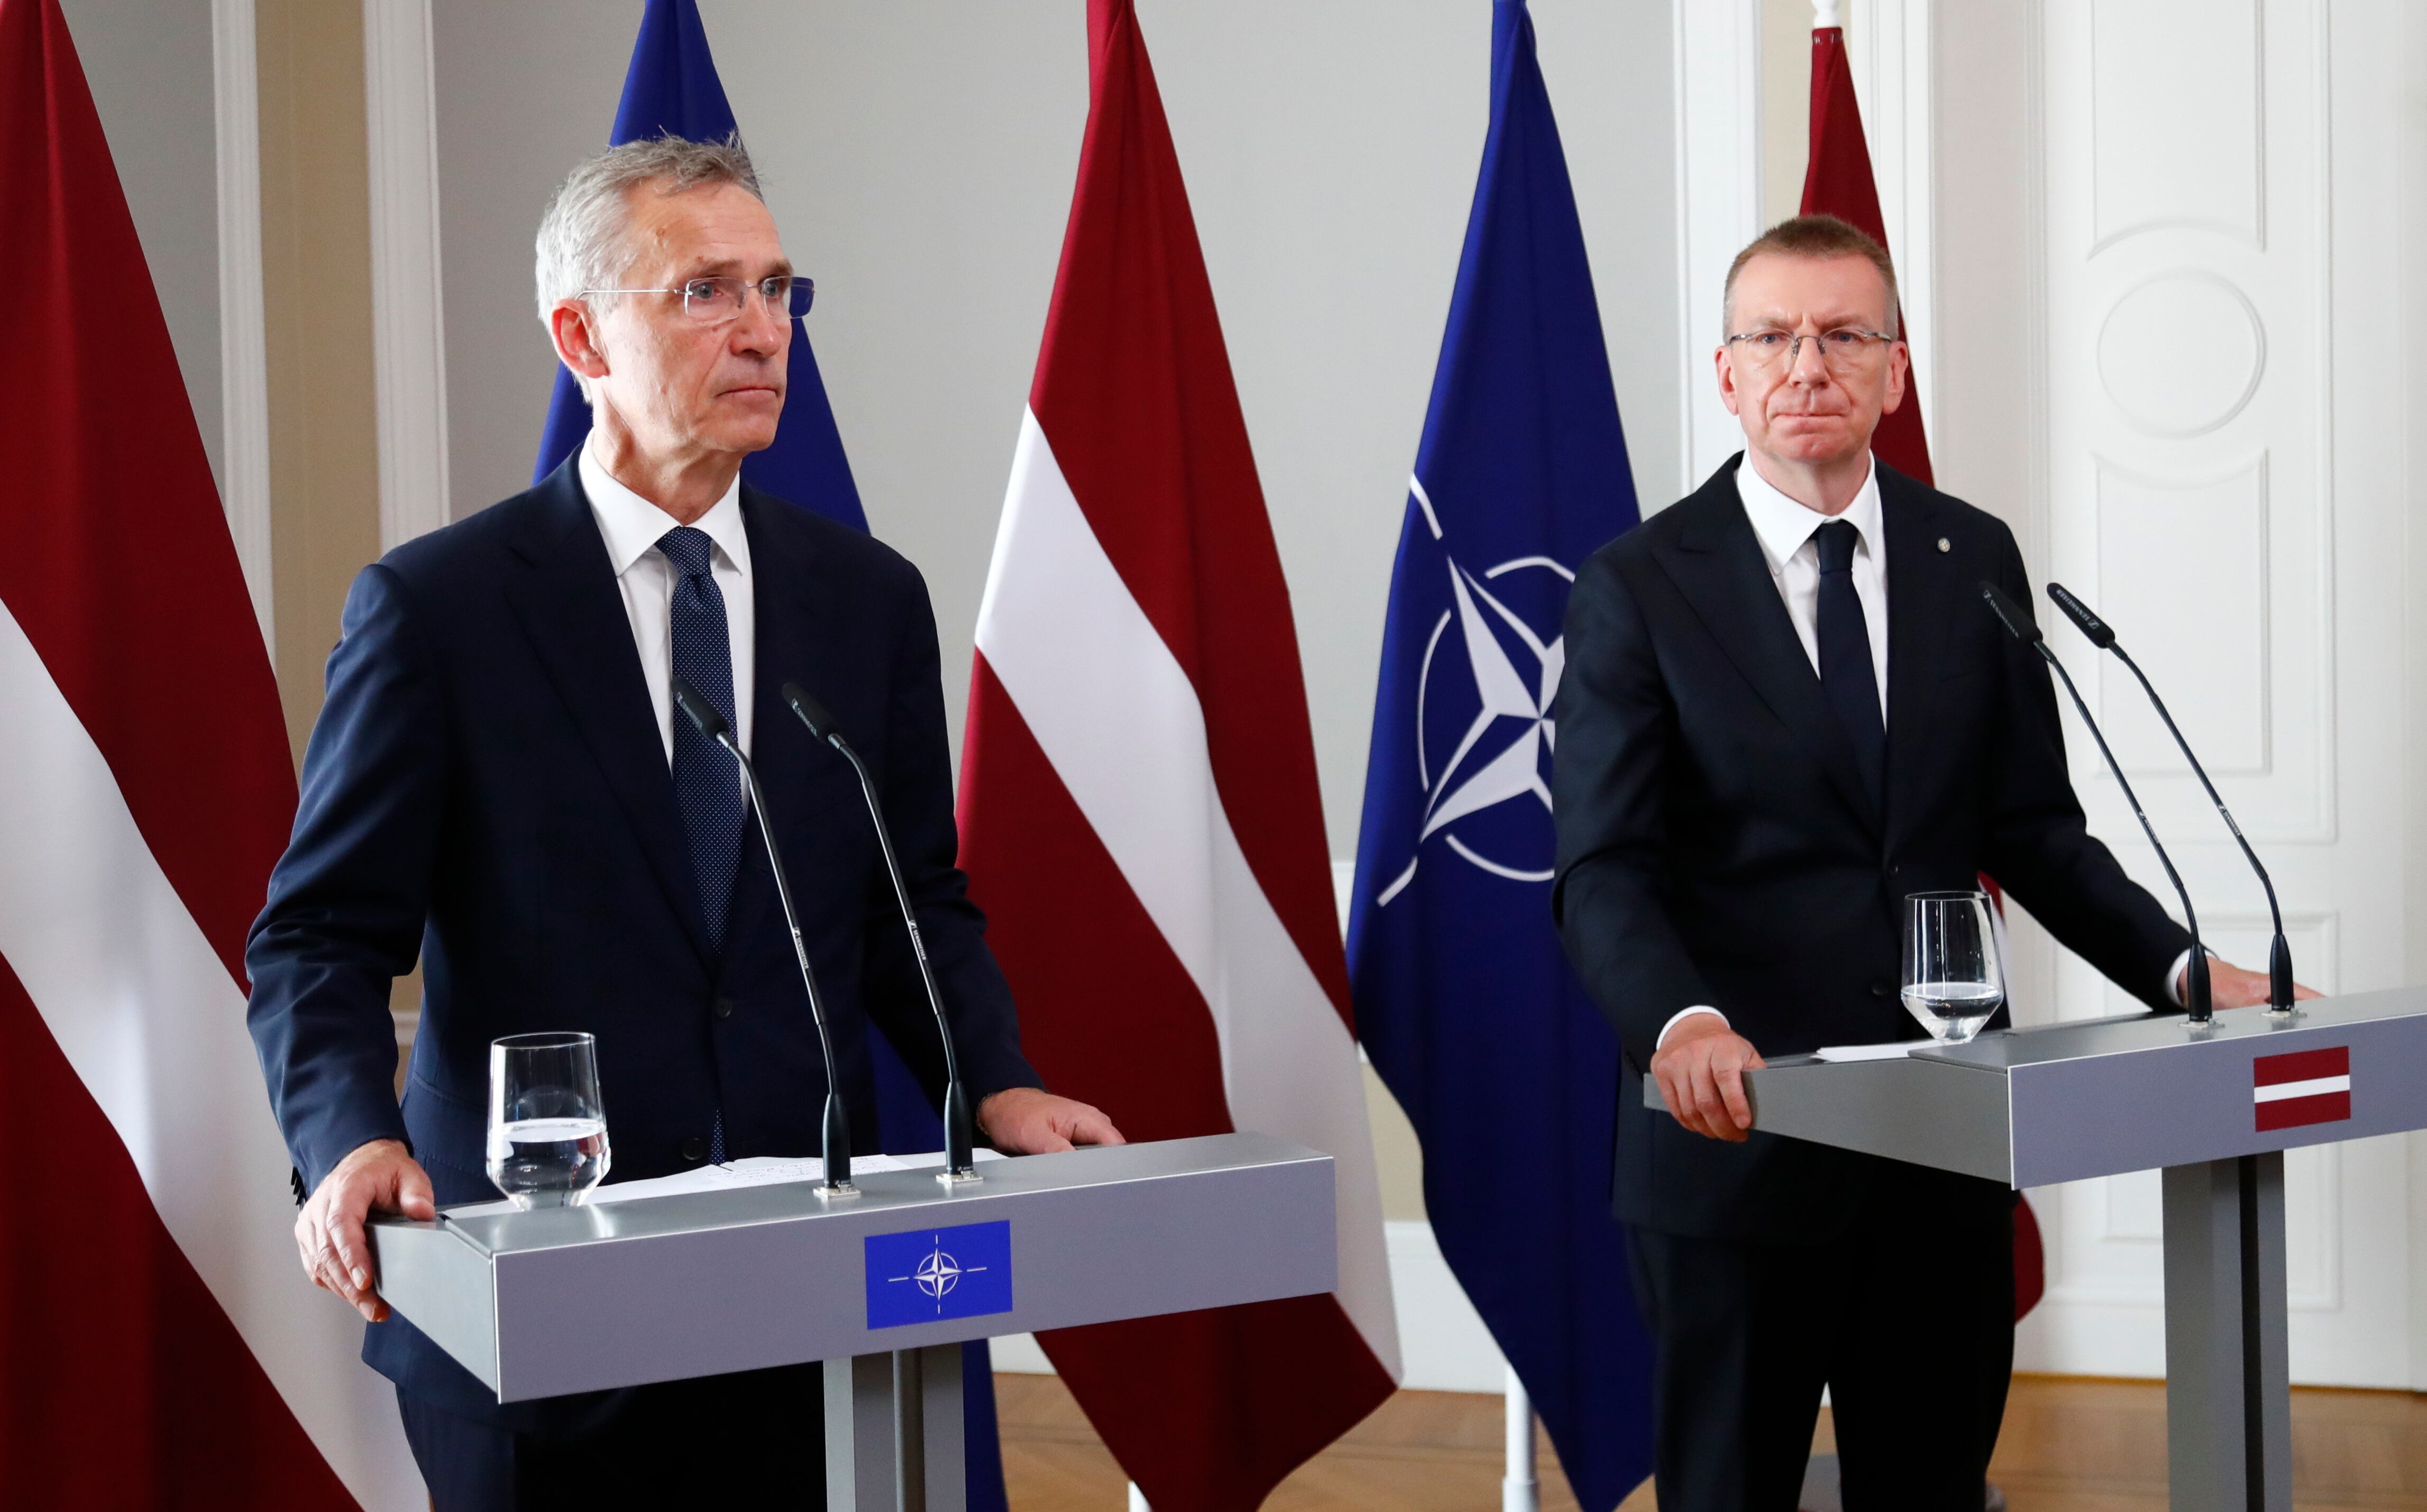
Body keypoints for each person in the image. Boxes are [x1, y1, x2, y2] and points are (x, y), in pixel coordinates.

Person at [245, 135, 1123, 1510]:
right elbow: (317, 935)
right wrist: (350, 1135)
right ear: (581, 334)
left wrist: (995, 1080)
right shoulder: (441, 610)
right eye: (706, 291)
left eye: (778, 290)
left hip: (812, 1302)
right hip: (537, 1312)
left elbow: (912, 898)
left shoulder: (865, 599)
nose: (762, 330)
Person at [1550, 214, 2312, 1510]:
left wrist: (2183, 968)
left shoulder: (1974, 557)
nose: (1809, 364)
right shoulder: (1637, 586)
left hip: (1944, 1145)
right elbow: (1606, 866)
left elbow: (2035, 831)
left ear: (1896, 369)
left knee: (1934, 1489)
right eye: (1773, 335)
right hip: (1739, 1138)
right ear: (1725, 373)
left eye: (1844, 333)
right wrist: (1679, 1021)